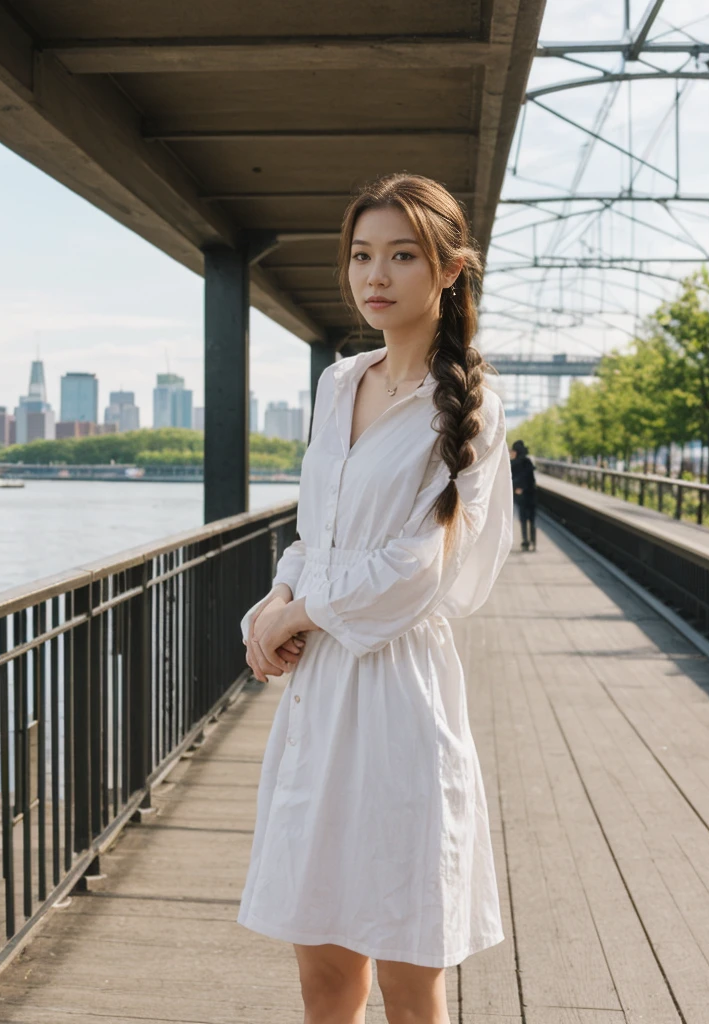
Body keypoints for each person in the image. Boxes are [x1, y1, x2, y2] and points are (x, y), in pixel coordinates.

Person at [238, 173, 513, 1024]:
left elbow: (419, 568)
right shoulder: (337, 383)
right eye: (362, 255)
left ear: (450, 270)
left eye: (402, 254)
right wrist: (276, 600)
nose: (376, 275)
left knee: (406, 968)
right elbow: (316, 529)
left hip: (400, 697)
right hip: (321, 696)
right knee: (322, 967)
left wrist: (305, 611)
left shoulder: (469, 408)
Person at [509, 439, 537, 551]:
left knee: (523, 519)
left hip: (522, 496)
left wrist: (517, 488)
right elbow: (531, 479)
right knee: (532, 520)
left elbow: (512, 479)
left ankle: (525, 541)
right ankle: (533, 542)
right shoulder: (528, 462)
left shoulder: (513, 464)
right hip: (532, 495)